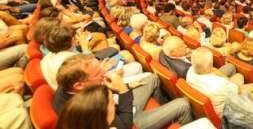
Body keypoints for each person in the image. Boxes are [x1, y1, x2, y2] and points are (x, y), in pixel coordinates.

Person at [52, 54, 193, 129]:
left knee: (152, 78)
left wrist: (128, 86)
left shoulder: (72, 84)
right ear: (78, 85)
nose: (104, 73)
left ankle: (162, 110)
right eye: (97, 74)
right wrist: (124, 90)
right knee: (183, 103)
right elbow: (123, 124)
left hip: (122, 104)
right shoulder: (80, 109)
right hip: (129, 120)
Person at [186, 47, 239, 117]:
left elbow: (213, 70)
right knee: (239, 76)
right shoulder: (221, 84)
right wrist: (226, 79)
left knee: (230, 66)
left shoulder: (190, 70)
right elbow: (238, 90)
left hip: (204, 100)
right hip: (222, 113)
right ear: (211, 64)